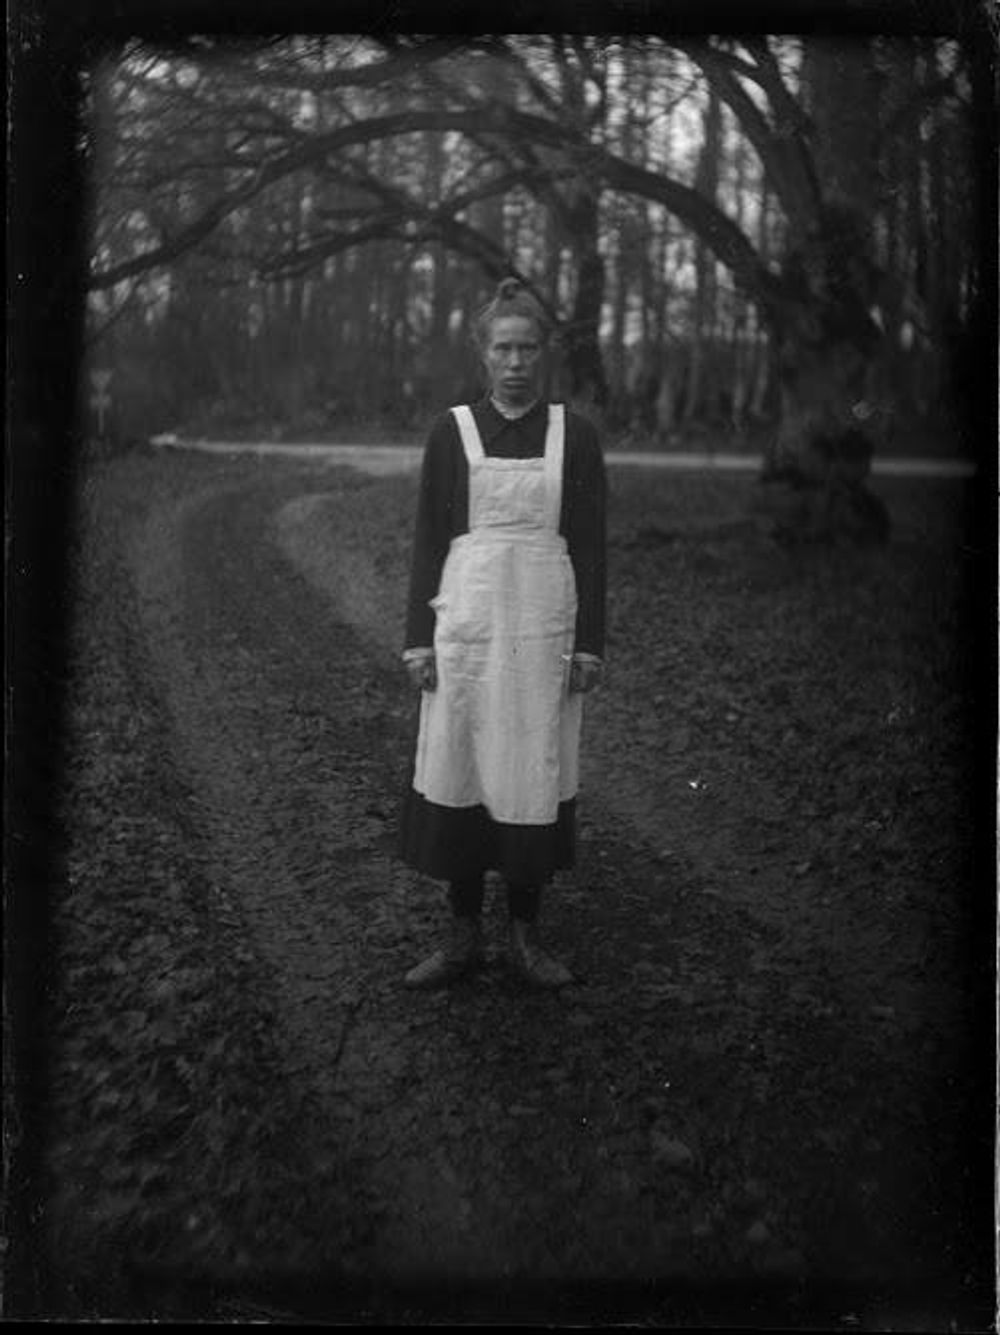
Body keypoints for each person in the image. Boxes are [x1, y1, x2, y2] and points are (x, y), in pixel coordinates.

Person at [398, 277, 607, 990]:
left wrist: (589, 645)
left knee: (529, 772)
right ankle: (461, 935)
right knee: (464, 765)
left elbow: (591, 547)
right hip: (469, 628)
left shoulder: (574, 436)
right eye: (502, 349)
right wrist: (419, 639)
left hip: (543, 632)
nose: (515, 363)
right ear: (483, 354)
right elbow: (429, 541)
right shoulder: (451, 431)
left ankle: (524, 937)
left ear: (543, 353)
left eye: (527, 349)